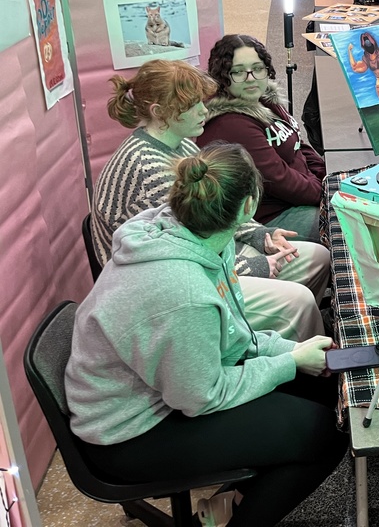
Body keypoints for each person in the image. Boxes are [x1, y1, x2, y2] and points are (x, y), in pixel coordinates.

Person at [67, 143, 346, 527]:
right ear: (249, 207)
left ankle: (229, 503)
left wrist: (291, 351)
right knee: (325, 436)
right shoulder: (183, 292)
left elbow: (233, 336)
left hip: (166, 393)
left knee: (329, 392)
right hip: (130, 433)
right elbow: (201, 397)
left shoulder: (201, 238)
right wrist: (287, 363)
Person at [91, 60, 328, 341]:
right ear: (159, 112)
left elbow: (215, 215)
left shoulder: (182, 141)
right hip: (167, 288)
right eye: (193, 106)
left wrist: (260, 234)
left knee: (318, 258)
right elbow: (184, 255)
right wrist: (254, 267)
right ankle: (303, 363)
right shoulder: (150, 169)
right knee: (296, 302)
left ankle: (277, 337)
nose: (205, 110)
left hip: (202, 255)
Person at [200, 36, 328, 243]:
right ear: (223, 76)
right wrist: (325, 194)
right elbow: (279, 179)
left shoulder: (264, 100)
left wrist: (327, 178)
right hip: (269, 218)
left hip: (299, 197)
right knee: (344, 222)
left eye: (257, 68)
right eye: (239, 72)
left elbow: (298, 144)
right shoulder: (232, 124)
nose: (250, 78)